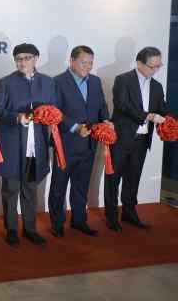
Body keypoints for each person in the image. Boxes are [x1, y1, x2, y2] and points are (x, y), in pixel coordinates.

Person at [0, 43, 56, 247]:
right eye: (18, 58)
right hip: (12, 143)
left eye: (27, 58)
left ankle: (30, 229)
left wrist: (48, 116)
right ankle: (11, 229)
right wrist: (16, 117)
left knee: (30, 187)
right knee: (10, 189)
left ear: (36, 58)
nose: (22, 62)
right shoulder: (5, 83)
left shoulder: (47, 82)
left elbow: (53, 109)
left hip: (35, 143)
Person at [48, 45, 111, 238]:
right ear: (72, 61)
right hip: (66, 143)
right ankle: (57, 223)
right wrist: (75, 127)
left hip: (90, 143)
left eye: (91, 63)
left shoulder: (95, 81)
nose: (88, 67)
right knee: (59, 185)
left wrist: (106, 120)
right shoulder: (57, 81)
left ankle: (79, 221)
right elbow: (55, 111)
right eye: (84, 62)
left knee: (81, 185)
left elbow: (101, 105)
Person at [104, 46, 167, 231]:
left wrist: (170, 121)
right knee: (113, 179)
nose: (154, 70)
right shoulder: (123, 80)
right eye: (151, 66)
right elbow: (123, 105)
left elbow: (162, 110)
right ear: (139, 63)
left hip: (141, 140)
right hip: (121, 138)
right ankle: (111, 217)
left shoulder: (157, 86)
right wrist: (149, 116)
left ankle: (129, 214)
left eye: (158, 66)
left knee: (133, 179)